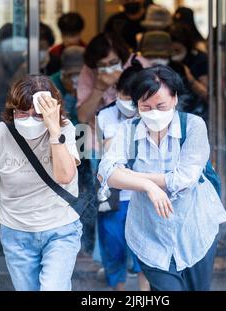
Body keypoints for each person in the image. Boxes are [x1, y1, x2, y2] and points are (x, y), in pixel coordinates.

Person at [97, 66, 226, 291]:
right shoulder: (128, 131)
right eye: (145, 107)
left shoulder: (193, 126)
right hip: (150, 235)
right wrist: (147, 186)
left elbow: (183, 179)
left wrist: (131, 177)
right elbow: (106, 172)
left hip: (195, 231)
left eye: (160, 106)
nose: (153, 113)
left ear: (175, 99)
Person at [0, 75, 82, 291]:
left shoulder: (64, 129)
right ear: (13, 111)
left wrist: (53, 129)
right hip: (17, 233)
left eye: (38, 114)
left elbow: (65, 176)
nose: (29, 118)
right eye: (22, 112)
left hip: (61, 229)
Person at [96, 58, 149, 291]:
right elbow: (97, 151)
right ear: (116, 91)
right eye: (125, 96)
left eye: (134, 98)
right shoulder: (104, 116)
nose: (129, 103)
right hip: (113, 197)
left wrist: (114, 143)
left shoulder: (153, 116)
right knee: (113, 249)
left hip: (143, 195)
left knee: (145, 253)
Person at [50, 46, 85, 125]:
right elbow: (60, 121)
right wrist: (70, 94)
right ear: (63, 71)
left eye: (79, 73)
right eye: (71, 74)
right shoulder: (51, 84)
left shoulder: (88, 82)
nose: (75, 78)